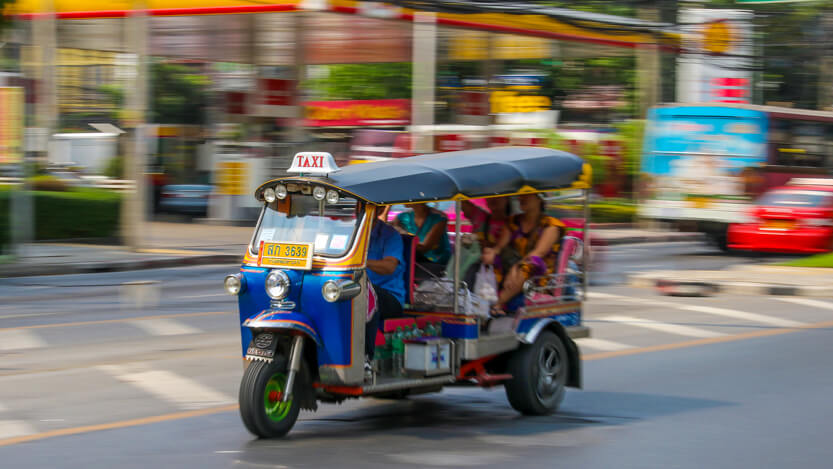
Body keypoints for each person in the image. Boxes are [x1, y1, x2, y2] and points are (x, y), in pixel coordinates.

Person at [483, 193, 564, 314]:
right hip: (512, 271)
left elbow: (539, 253)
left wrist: (516, 268)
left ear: (539, 198)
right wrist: (490, 253)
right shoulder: (512, 222)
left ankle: (498, 304)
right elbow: (499, 248)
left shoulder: (552, 225)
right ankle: (479, 300)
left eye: (526, 195)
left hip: (539, 277)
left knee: (530, 263)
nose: (521, 198)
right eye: (520, 195)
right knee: (490, 258)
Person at [364, 205, 406, 362]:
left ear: (379, 210)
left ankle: (366, 357)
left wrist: (362, 262)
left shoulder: (390, 236)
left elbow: (389, 266)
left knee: (364, 294)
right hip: (360, 289)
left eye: (368, 206)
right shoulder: (351, 231)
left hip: (390, 298)